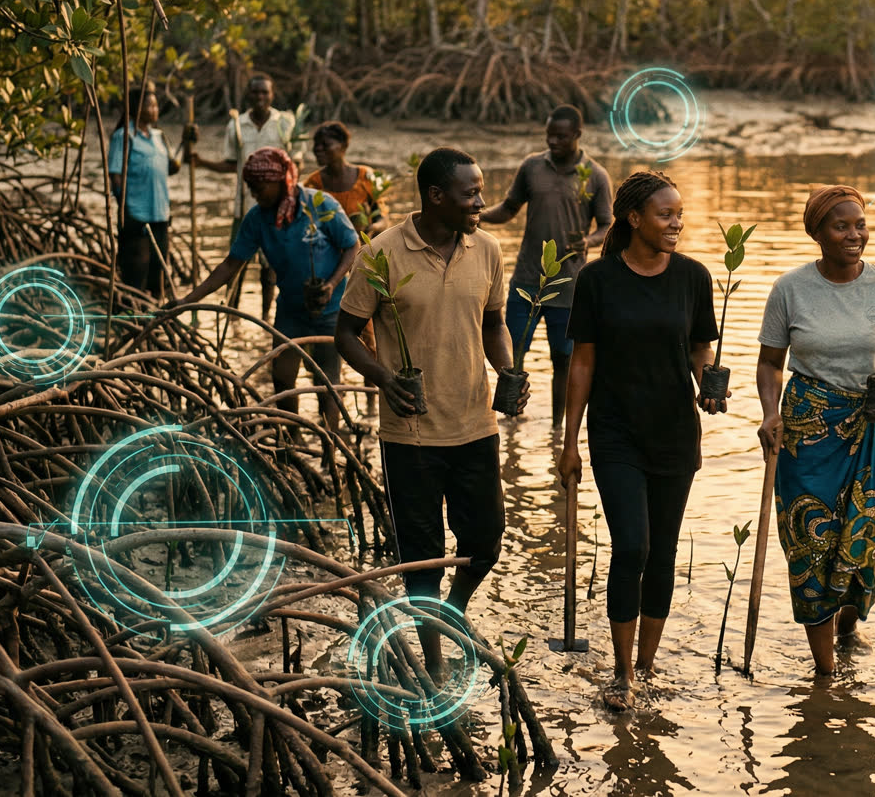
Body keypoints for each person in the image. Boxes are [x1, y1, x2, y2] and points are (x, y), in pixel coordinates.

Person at [335, 147, 525, 676]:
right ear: (435, 197)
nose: (481, 204)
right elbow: (346, 333)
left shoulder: (486, 249)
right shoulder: (382, 253)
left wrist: (507, 368)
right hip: (410, 433)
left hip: (474, 425)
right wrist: (383, 378)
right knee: (421, 559)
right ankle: (434, 664)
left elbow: (493, 322)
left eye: (481, 192)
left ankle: (453, 610)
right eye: (471, 195)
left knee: (485, 541)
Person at [557, 170, 723, 712]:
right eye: (665, 214)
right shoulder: (597, 280)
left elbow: (700, 348)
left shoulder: (694, 277)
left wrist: (710, 383)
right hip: (616, 433)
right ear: (634, 219)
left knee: (663, 553)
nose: (677, 223)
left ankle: (649, 667)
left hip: (675, 433)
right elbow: (582, 362)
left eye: (680, 214)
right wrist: (569, 441)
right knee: (632, 547)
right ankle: (623, 673)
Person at [754, 185, 875, 678]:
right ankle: (826, 674)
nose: (854, 235)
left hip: (870, 428)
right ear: (818, 233)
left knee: (869, 541)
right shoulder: (790, 289)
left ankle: (846, 628)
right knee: (812, 545)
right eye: (841, 226)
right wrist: (769, 412)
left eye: (860, 225)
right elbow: (769, 364)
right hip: (807, 431)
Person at [175, 148, 359, 432]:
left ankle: (331, 448)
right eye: (251, 188)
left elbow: (351, 245)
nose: (255, 194)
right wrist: (187, 301)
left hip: (330, 308)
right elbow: (229, 267)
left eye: (259, 188)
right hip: (290, 309)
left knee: (328, 383)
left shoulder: (319, 205)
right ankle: (292, 439)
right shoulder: (257, 219)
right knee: (283, 377)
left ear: (279, 182)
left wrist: (331, 284)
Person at [480, 104, 613, 428]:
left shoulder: (594, 175)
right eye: (549, 135)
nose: (553, 141)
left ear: (578, 136)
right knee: (512, 357)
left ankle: (557, 429)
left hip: (569, 286)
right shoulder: (531, 167)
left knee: (563, 359)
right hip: (526, 280)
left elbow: (607, 225)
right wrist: (474, 216)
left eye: (561, 137)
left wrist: (589, 242)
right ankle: (510, 422)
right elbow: (509, 208)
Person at [189, 73, 299, 320]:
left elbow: (295, 165)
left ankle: (265, 316)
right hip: (245, 205)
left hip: (278, 206)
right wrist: (202, 163)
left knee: (270, 268)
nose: (260, 97)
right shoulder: (236, 126)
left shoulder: (285, 125)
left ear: (272, 95)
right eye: (255, 92)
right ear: (249, 95)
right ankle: (231, 314)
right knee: (237, 261)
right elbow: (232, 164)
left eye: (265, 92)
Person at [109, 84, 179, 298]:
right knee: (136, 276)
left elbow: (171, 168)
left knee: (158, 274)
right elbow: (115, 176)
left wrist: (186, 143)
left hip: (160, 215)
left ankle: (155, 323)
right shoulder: (124, 136)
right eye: (150, 106)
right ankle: (135, 323)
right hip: (136, 217)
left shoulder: (159, 136)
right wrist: (125, 208)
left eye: (156, 106)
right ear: (136, 108)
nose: (155, 110)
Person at [303, 121, 386, 234]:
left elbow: (382, 218)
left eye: (325, 144)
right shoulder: (312, 184)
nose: (318, 149)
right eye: (316, 144)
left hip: (363, 247)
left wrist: (374, 228)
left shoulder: (366, 177)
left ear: (343, 145)